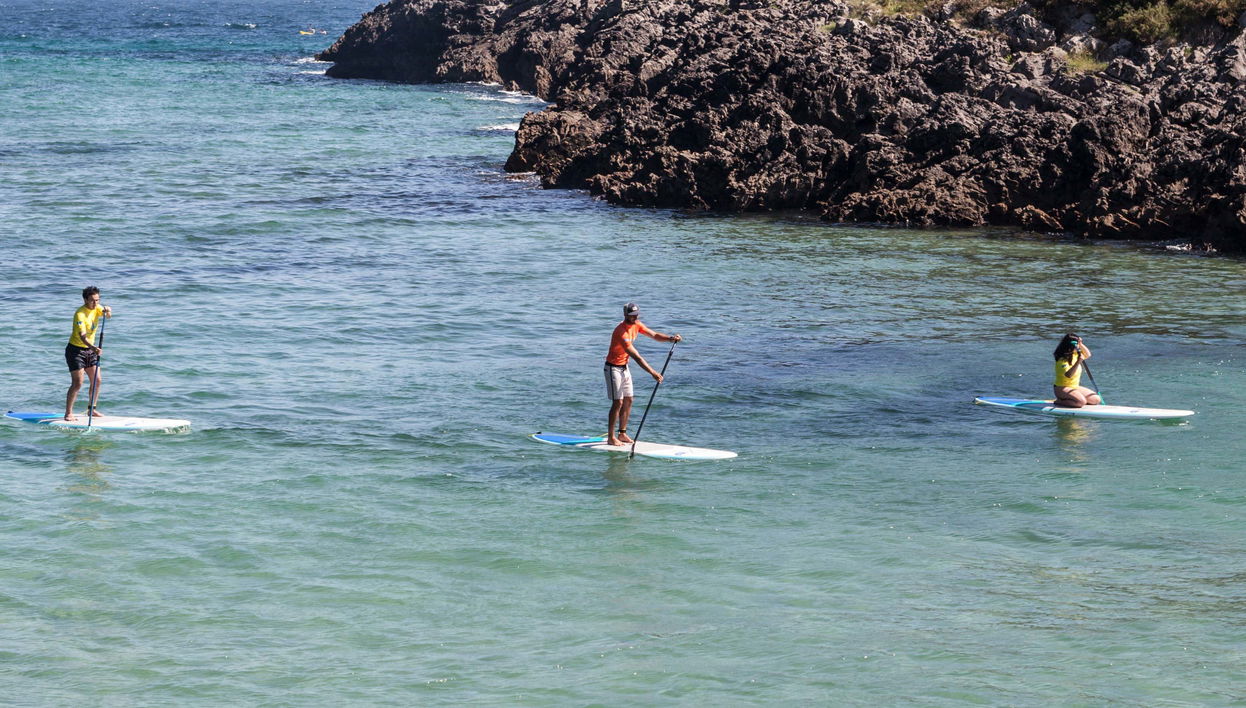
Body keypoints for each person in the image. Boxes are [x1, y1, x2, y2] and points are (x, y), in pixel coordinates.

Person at [604, 303, 681, 446]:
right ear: (625, 315)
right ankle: (611, 437)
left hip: (624, 367)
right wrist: (653, 373)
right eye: (632, 315)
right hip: (613, 368)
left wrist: (670, 338)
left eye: (637, 315)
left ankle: (622, 434)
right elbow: (637, 357)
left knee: (629, 400)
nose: (635, 317)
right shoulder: (621, 332)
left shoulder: (637, 324)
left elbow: (655, 335)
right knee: (618, 402)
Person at [65, 286, 111, 421]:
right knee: (78, 382)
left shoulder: (97, 307)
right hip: (76, 350)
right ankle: (68, 413)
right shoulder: (80, 314)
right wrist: (94, 348)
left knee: (97, 380)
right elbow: (82, 337)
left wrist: (108, 311)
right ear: (85, 300)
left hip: (90, 351)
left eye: (97, 300)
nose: (95, 303)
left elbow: (108, 316)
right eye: (92, 301)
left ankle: (92, 409)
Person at [1052, 332, 1100, 408]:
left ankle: (1073, 399)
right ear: (1070, 346)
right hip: (1062, 388)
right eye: (1077, 345)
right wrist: (1078, 362)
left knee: (1096, 399)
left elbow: (1088, 354)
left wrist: (1081, 344)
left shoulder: (1075, 354)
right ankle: (1059, 401)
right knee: (1081, 402)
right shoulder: (1062, 360)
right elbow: (1068, 375)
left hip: (1074, 386)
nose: (1078, 347)